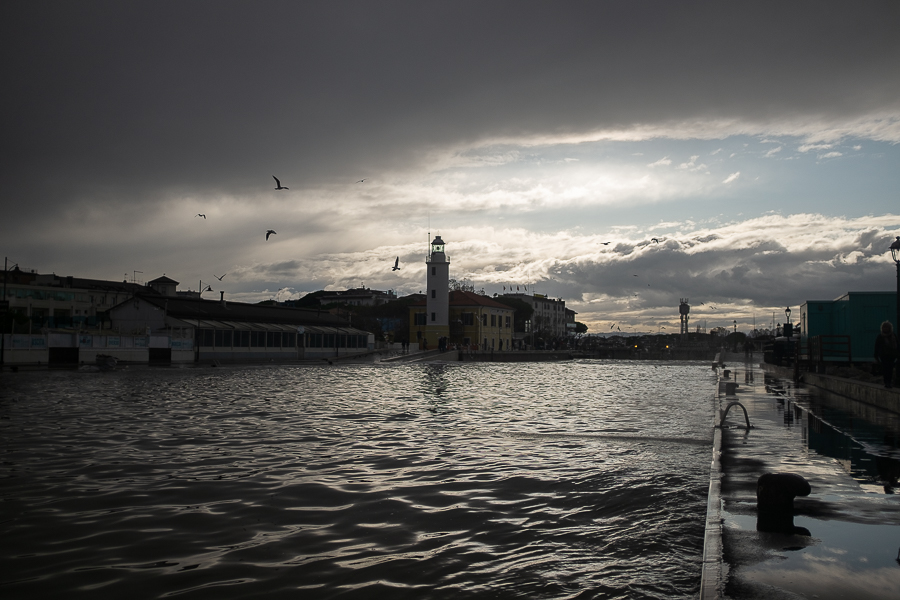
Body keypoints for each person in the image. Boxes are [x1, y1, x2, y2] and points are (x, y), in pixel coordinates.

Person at [874, 320, 898, 389]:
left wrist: (897, 355)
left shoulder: (894, 336)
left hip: (892, 355)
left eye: (887, 327)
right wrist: (876, 356)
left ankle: (889, 382)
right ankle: (886, 382)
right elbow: (877, 346)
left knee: (890, 369)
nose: (885, 329)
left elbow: (897, 346)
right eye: (884, 327)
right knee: (885, 369)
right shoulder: (880, 337)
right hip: (884, 355)